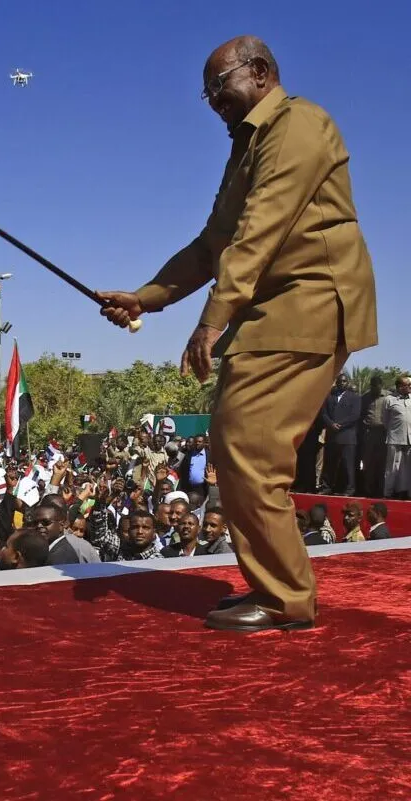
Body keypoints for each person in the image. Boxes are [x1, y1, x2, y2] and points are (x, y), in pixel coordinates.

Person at [97, 36, 377, 632]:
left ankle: (285, 599)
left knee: (250, 450)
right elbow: (211, 246)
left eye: (218, 86)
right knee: (235, 446)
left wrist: (211, 320)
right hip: (272, 310)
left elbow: (260, 231)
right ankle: (272, 586)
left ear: (260, 71)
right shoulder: (248, 146)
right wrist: (144, 297)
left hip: (308, 304)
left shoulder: (298, 123)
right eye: (207, 92)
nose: (211, 101)